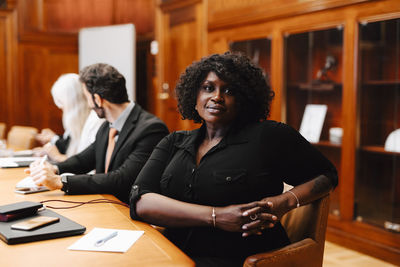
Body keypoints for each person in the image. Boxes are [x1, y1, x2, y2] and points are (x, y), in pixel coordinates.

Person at [129, 52, 338, 266]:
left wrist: (283, 202)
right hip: (171, 255)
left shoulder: (268, 137)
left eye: (229, 90)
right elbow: (141, 203)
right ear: (194, 95)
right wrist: (216, 216)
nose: (217, 97)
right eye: (208, 88)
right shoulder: (174, 142)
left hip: (241, 260)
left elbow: (327, 175)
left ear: (244, 99)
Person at [28, 63, 169, 203]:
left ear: (97, 99)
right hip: (105, 203)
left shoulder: (151, 129)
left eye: (86, 97)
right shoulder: (107, 125)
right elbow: (84, 160)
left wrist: (61, 181)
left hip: (128, 212)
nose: (88, 104)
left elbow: (122, 179)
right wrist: (54, 168)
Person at [34, 73, 104, 162]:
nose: (61, 108)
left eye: (62, 103)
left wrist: (57, 156)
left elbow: (85, 165)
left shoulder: (94, 121)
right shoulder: (81, 121)